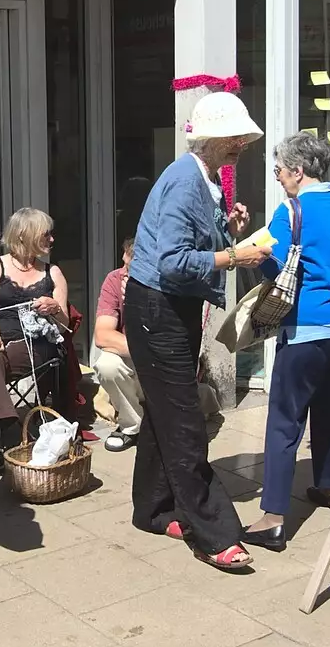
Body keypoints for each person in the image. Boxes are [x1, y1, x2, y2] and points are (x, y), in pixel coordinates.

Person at [126, 90, 269, 571]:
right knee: (185, 421)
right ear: (209, 139)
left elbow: (190, 242)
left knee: (164, 412)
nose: (240, 145)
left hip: (173, 308)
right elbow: (172, 262)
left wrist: (227, 227)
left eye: (242, 138)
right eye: (234, 137)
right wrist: (235, 255)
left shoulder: (205, 178)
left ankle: (151, 509)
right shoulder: (186, 180)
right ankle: (213, 531)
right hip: (157, 309)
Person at [242, 133, 330, 553]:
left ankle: (272, 518)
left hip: (307, 331)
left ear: (298, 171)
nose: (279, 178)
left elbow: (275, 266)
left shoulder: (292, 210)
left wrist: (253, 249)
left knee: (285, 420)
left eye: (280, 170)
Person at [0, 208, 72, 484]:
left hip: (34, 341)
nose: (52, 239)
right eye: (46, 234)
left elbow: (64, 325)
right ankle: (0, 433)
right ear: (25, 235)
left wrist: (55, 309)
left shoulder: (53, 273)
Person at [94, 238, 141, 453]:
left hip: (164, 359)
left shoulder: (166, 281)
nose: (124, 270)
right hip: (137, 355)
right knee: (107, 365)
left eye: (129, 266)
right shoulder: (115, 280)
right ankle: (132, 426)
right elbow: (102, 336)